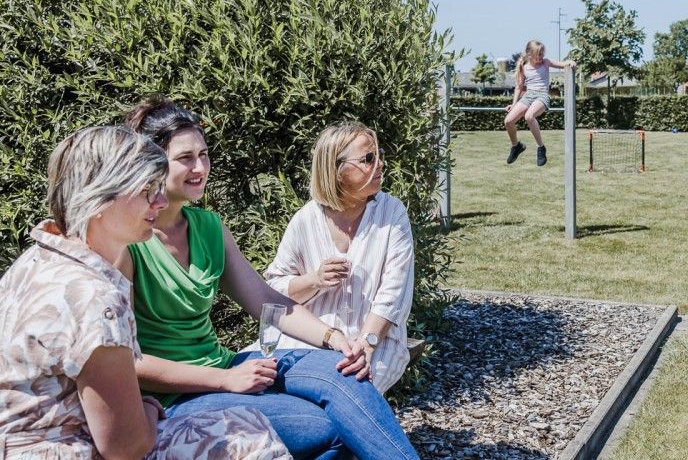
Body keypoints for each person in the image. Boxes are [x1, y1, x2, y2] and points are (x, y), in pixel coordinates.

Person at [119, 97, 419, 460]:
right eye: (185, 158)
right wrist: (226, 380)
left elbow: (268, 302)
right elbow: (127, 364)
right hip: (178, 398)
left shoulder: (209, 227)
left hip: (225, 366)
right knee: (329, 426)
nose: (200, 166)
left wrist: (333, 337)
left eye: (204, 154)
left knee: (344, 372)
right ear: (151, 162)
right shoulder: (128, 242)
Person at [0, 126, 291, 459]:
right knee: (249, 438)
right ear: (100, 197)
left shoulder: (36, 260)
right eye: (147, 190)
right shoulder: (94, 298)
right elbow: (124, 447)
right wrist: (149, 407)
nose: (161, 201)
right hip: (62, 449)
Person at [254, 121, 414, 394]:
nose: (380, 164)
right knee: (258, 388)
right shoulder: (307, 218)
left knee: (349, 392)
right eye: (368, 158)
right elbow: (275, 292)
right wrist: (314, 280)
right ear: (335, 170)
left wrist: (367, 344)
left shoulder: (391, 214)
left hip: (378, 342)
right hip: (309, 339)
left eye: (379, 155)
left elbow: (393, 294)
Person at [503, 40, 576, 166]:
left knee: (529, 116)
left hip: (542, 95)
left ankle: (541, 147)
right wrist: (514, 104)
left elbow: (562, 64)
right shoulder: (524, 67)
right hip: (528, 95)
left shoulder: (546, 63)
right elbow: (519, 87)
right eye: (539, 54)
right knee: (508, 121)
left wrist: (570, 62)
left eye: (543, 53)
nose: (542, 57)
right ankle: (516, 146)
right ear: (530, 55)